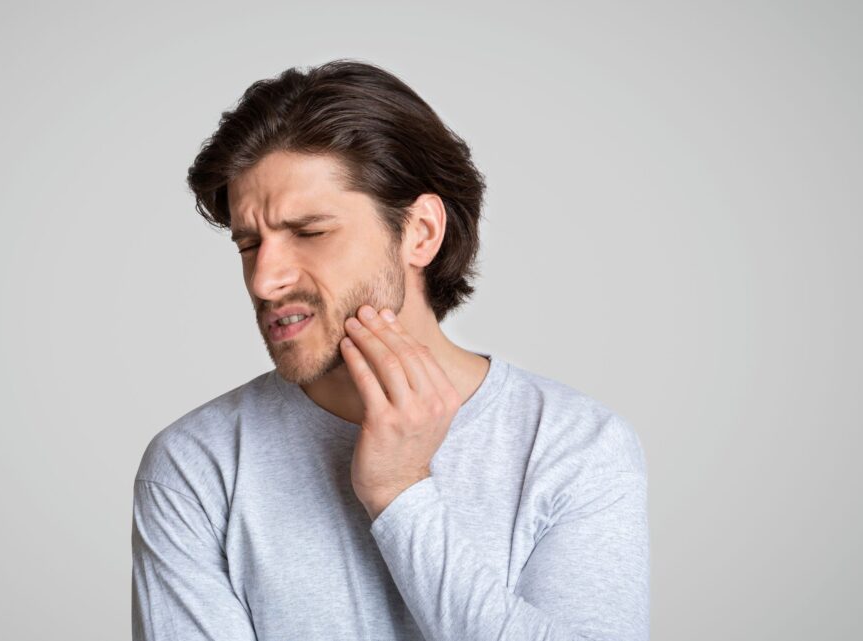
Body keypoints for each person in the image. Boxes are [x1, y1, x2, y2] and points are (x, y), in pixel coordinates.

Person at [131, 59, 650, 641]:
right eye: (249, 244)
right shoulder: (196, 466)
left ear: (420, 232)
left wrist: (400, 493)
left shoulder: (573, 446)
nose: (264, 279)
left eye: (308, 232)